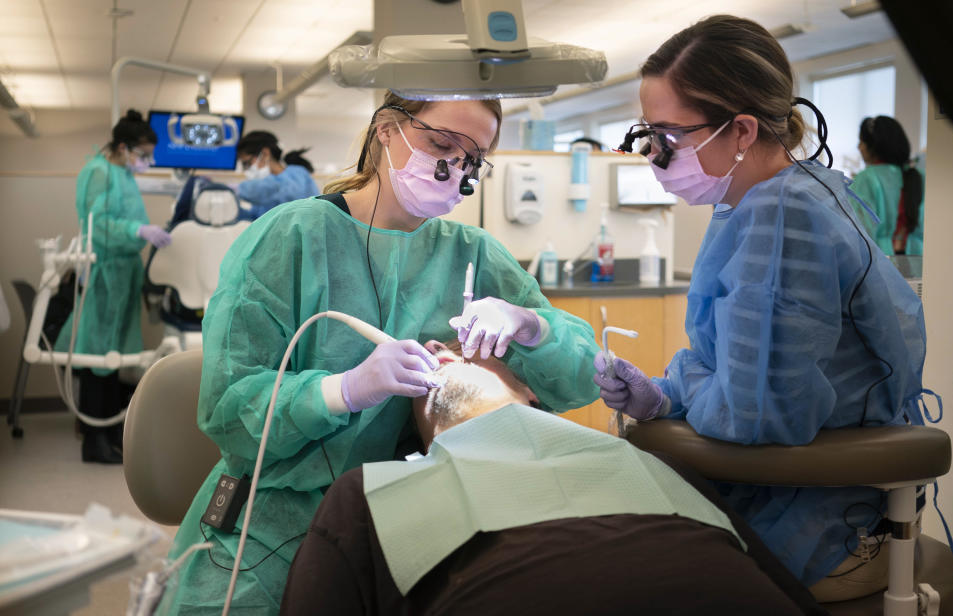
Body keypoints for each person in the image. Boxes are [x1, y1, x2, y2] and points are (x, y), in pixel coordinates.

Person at [158, 93, 600, 614]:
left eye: (473, 158)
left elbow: (577, 381)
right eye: (441, 144)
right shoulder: (291, 236)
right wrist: (342, 389)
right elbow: (230, 413)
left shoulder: (472, 253)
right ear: (386, 129)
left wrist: (530, 326)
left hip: (415, 518)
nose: (454, 167)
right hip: (274, 525)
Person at [593, 15, 927, 601]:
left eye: (667, 137)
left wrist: (676, 397)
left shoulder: (783, 219)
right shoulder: (763, 201)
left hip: (819, 519)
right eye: (647, 134)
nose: (653, 153)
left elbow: (757, 417)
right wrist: (665, 392)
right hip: (786, 489)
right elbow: (736, 367)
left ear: (741, 130)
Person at [280, 340, 826, 616]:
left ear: (531, 394)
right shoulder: (371, 491)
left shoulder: (651, 463)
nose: (441, 353)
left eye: (470, 351)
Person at [54, 109, 170, 465]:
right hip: (105, 274)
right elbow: (100, 224)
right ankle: (94, 440)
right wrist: (137, 231)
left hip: (123, 274)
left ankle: (108, 435)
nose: (146, 162)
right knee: (97, 356)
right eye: (143, 155)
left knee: (112, 356)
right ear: (124, 147)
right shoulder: (98, 172)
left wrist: (143, 230)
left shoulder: (120, 171)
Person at [850, 115, 924, 255]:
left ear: (873, 146)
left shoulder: (866, 179)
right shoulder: (919, 176)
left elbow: (859, 232)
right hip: (919, 263)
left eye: (861, 141)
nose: (858, 147)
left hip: (881, 263)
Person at [234, 130, 319, 219]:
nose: (247, 169)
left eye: (247, 163)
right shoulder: (265, 190)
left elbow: (280, 190)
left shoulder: (297, 174)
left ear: (265, 153)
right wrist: (237, 213)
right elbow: (259, 218)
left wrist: (237, 189)